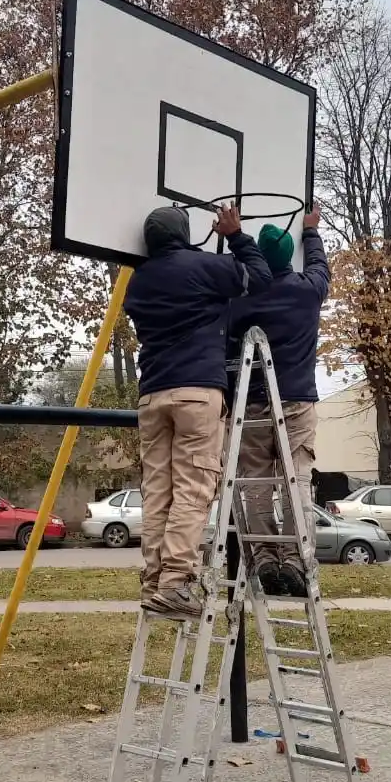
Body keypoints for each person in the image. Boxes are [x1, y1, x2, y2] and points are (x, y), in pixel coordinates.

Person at [125, 203, 272, 617]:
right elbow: (259, 279)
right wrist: (237, 236)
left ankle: (154, 580)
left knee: (158, 491)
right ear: (184, 233)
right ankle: (176, 583)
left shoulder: (139, 281)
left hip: (152, 396)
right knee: (193, 487)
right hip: (195, 391)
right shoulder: (203, 267)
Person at [228, 202, 330, 597]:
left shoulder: (241, 300)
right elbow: (320, 266)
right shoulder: (308, 291)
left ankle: (265, 559)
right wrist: (311, 230)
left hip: (251, 406)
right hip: (297, 402)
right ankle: (298, 563)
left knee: (253, 483)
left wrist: (236, 241)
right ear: (289, 258)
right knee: (295, 481)